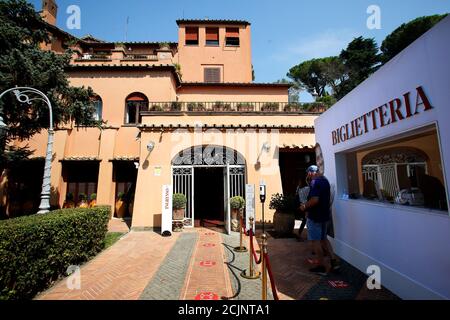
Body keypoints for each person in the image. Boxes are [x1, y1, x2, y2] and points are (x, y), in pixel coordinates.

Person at [300, 165, 339, 275]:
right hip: (324, 216)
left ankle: (321, 266)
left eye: (308, 173)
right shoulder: (325, 181)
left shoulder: (315, 182)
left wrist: (304, 206)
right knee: (324, 240)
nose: (308, 176)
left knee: (316, 242)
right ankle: (334, 262)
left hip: (315, 216)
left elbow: (315, 200)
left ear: (312, 173)